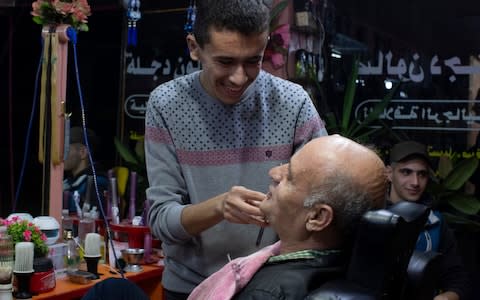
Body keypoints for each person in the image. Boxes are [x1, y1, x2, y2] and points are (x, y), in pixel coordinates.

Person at [145, 0, 327, 298]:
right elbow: (162, 221)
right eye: (226, 62)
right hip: (192, 287)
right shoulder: (167, 105)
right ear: (194, 47)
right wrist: (220, 207)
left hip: (271, 286)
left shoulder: (293, 102)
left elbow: (321, 194)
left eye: (253, 61)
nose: (239, 77)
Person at [187, 135, 387, 299]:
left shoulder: (267, 294)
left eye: (289, 176)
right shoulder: (345, 265)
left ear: (317, 217)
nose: (273, 173)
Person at [386, 141, 470, 300]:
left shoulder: (436, 222)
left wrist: (447, 297)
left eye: (422, 174)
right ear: (389, 173)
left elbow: (457, 278)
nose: (415, 182)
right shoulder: (370, 216)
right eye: (406, 172)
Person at [63, 126, 109, 215]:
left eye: (66, 149)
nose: (62, 155)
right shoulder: (69, 181)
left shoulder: (97, 183)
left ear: (83, 153)